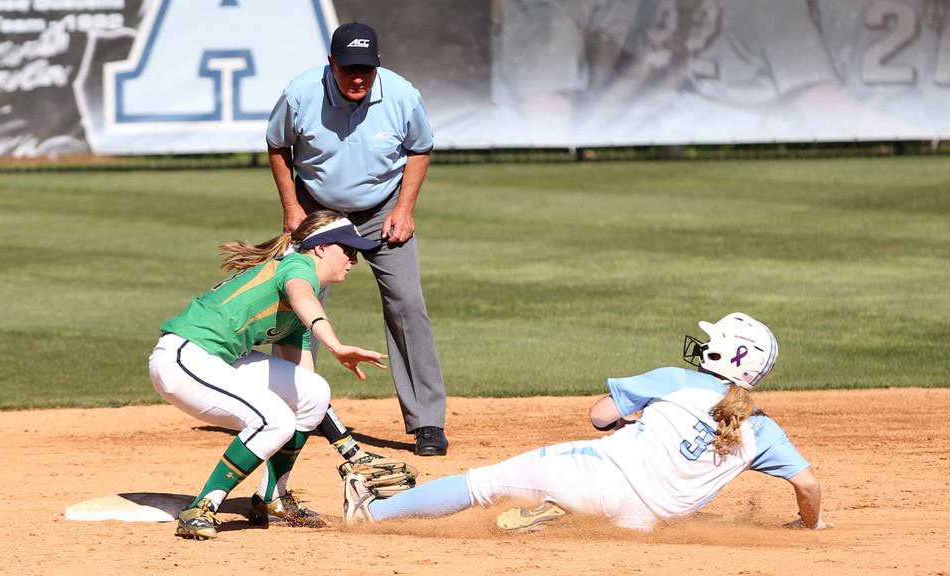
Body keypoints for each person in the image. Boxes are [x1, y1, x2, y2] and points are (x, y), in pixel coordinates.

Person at [343, 313, 833, 533]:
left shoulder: (677, 379)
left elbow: (599, 414)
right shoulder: (764, 430)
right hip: (640, 522)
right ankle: (558, 512)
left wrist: (634, 415)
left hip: (594, 474)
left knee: (481, 485)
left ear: (721, 353)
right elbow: (807, 485)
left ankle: (374, 515)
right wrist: (807, 523)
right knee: (619, 496)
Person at [149, 210, 389, 540]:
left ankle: (271, 499)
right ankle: (201, 508)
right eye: (348, 250)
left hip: (217, 361)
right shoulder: (296, 266)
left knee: (314, 391)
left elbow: (308, 397)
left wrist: (351, 451)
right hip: (183, 357)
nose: (354, 259)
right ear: (320, 248)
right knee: (275, 419)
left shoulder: (297, 312)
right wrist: (335, 345)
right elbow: (302, 294)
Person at [266, 22, 449, 456]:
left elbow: (420, 148)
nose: (358, 77)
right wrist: (292, 209)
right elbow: (278, 145)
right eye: (349, 68)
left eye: (366, 68)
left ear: (377, 65)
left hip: (383, 209)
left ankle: (427, 421)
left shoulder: (402, 95)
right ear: (332, 64)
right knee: (296, 301)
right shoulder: (300, 94)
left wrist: (404, 210)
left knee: (407, 302)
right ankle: (281, 411)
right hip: (318, 209)